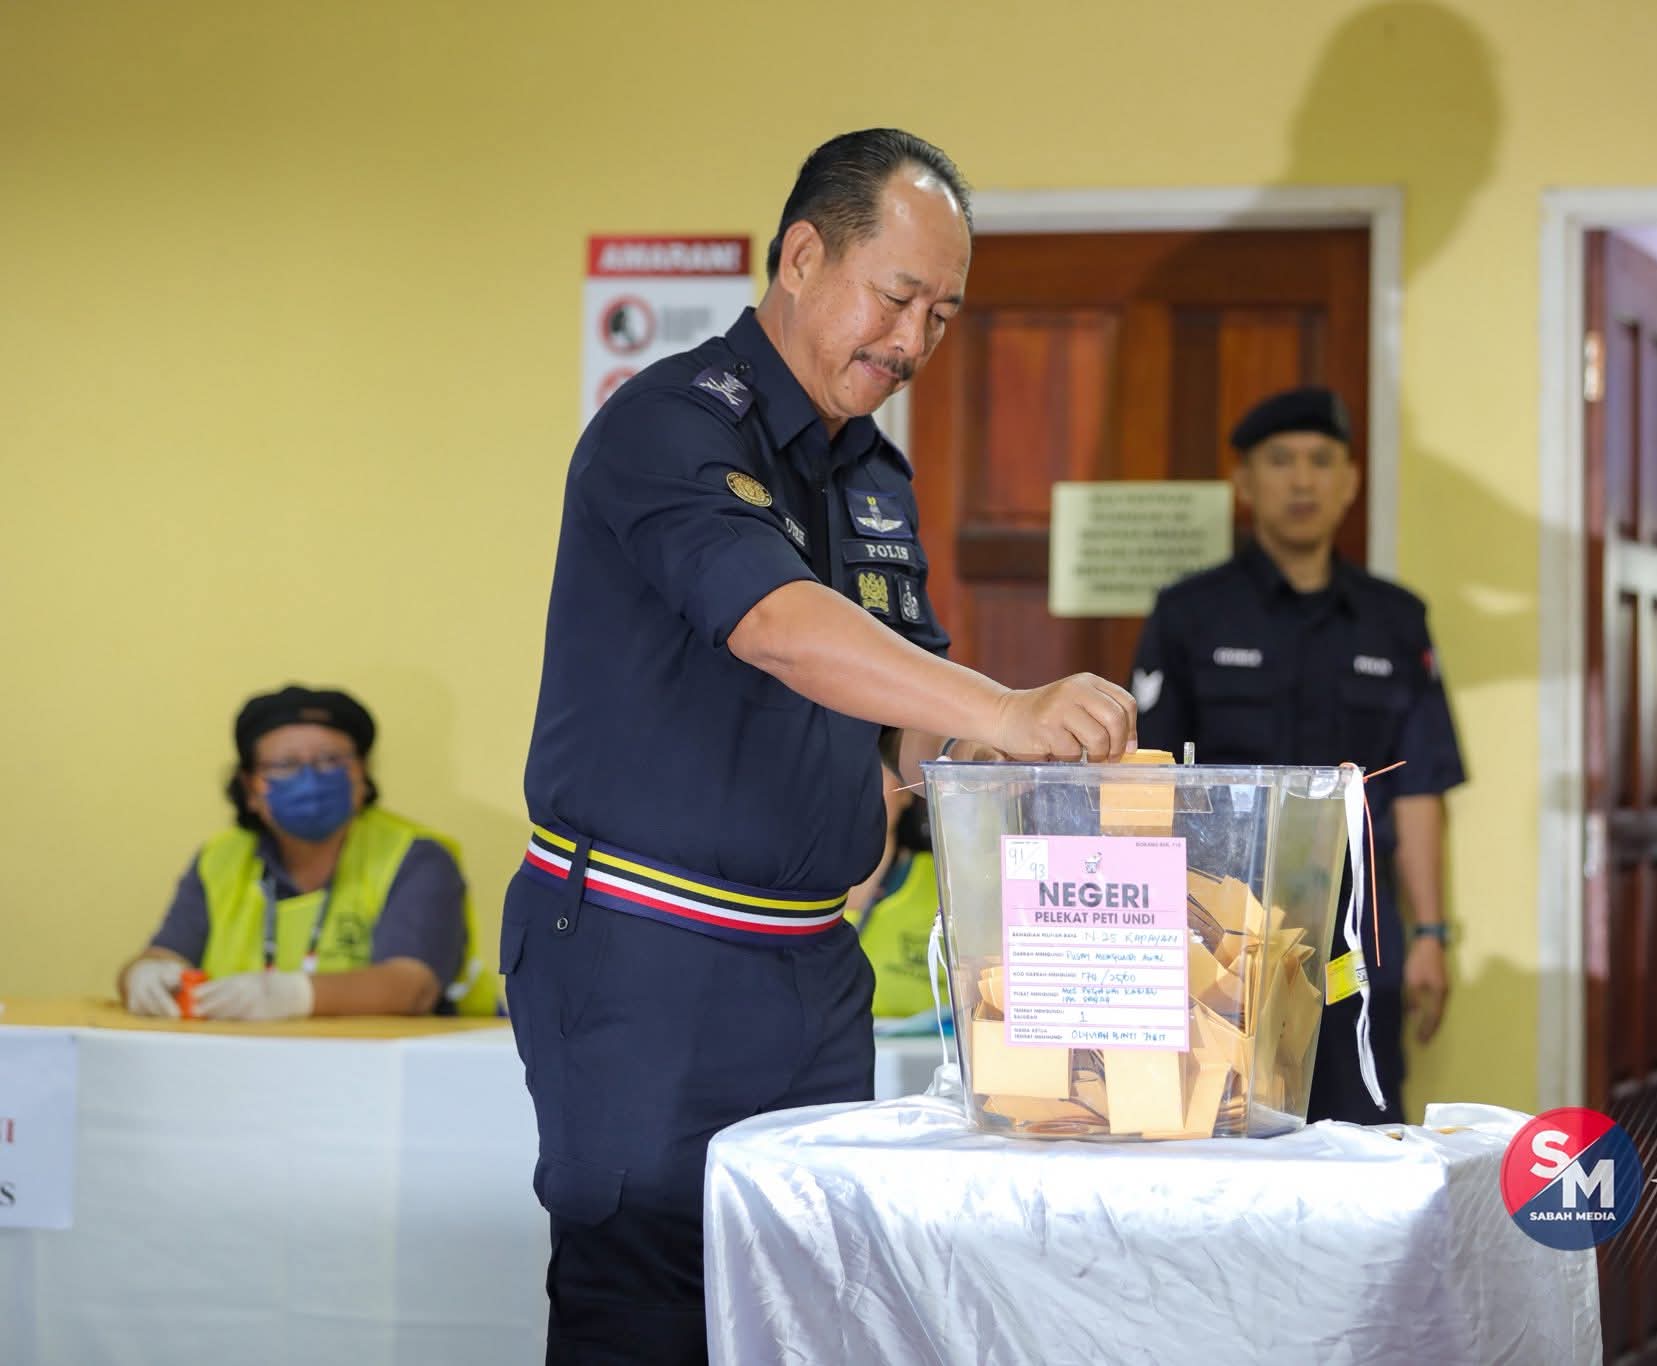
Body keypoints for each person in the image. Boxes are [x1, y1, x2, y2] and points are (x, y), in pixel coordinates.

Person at [505, 128, 1136, 1365]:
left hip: (808, 965)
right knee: (646, 1311)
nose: (913, 342)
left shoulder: (873, 474)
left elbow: (898, 717)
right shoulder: (669, 425)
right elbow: (777, 627)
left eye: (941, 316)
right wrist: (1006, 706)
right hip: (645, 954)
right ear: (801, 256)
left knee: (798, 1308)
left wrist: (1010, 763)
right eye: (895, 297)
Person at [1128, 385, 1462, 1126]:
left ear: (1350, 482)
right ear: (1245, 483)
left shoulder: (1396, 621)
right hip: (1223, 929)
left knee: (1362, 1122)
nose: (1303, 481)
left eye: (1321, 461)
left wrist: (1432, 934)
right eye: (1280, 461)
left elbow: (1419, 786)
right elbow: (1149, 782)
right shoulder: (1190, 615)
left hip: (1357, 930)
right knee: (1219, 1123)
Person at [118, 684, 491, 1021]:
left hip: (387, 1068)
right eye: (285, 765)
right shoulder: (220, 860)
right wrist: (144, 975)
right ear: (250, 788)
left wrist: (294, 995)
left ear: (362, 775)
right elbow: (166, 953)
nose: (310, 780)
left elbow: (413, 986)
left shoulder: (415, 857)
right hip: (247, 1063)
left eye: (330, 761)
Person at [844, 770, 942, 1018]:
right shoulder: (780, 892)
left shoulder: (948, 888)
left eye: (875, 772)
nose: (858, 790)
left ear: (906, 792)